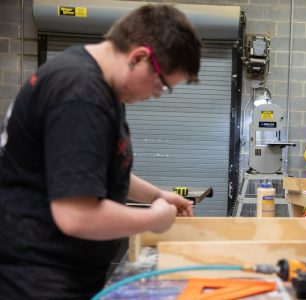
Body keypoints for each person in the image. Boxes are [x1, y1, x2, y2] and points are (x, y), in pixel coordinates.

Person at [0, 4, 202, 299]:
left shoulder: (97, 85)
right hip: (36, 279)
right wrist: (154, 219)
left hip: (60, 273)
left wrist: (157, 195)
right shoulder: (80, 94)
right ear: (139, 57)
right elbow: (76, 216)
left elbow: (89, 170)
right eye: (161, 85)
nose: (156, 96)